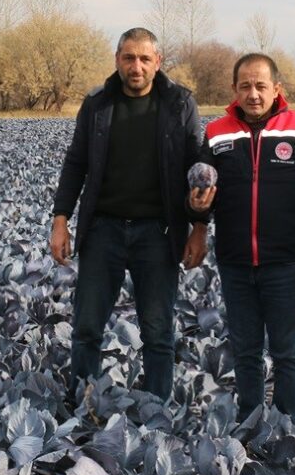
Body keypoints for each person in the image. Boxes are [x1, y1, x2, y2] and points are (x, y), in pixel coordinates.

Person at [50, 27, 206, 401]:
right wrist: (60, 219)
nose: (136, 67)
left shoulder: (180, 103)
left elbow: (196, 166)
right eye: (129, 58)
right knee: (87, 326)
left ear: (158, 62)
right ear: (117, 60)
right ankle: (83, 403)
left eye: (144, 59)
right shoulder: (98, 103)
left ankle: (157, 409)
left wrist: (200, 227)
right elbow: (76, 162)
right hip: (103, 229)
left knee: (158, 330)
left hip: (158, 232)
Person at [189, 53, 295, 424]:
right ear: (234, 89)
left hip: (285, 261)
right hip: (235, 261)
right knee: (245, 352)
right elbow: (202, 190)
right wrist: (197, 212)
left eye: (260, 86)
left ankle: (287, 426)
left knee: (288, 352)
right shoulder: (217, 133)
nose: (253, 94)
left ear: (276, 89)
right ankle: (250, 424)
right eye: (245, 86)